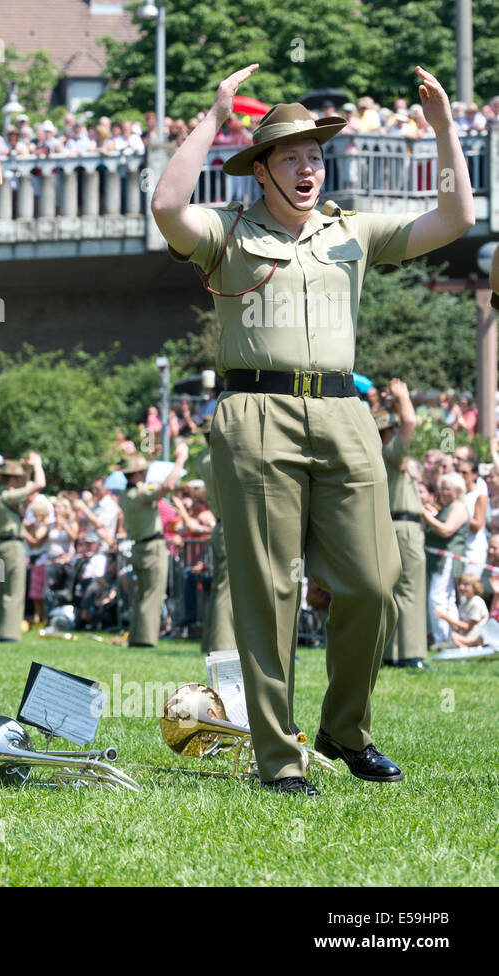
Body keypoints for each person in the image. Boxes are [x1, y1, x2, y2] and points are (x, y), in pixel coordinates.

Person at [151, 62, 474, 795]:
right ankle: (279, 756)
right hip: (254, 412)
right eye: (291, 156)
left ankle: (344, 729)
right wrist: (211, 115)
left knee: (375, 580)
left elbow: (453, 220)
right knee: (269, 591)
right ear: (260, 170)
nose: (307, 168)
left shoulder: (351, 230)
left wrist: (446, 130)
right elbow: (168, 205)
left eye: (315, 155)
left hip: (343, 412)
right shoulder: (227, 231)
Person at [379, 379, 428, 669]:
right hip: (405, 528)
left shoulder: (383, 453)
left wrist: (394, 401)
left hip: (394, 525)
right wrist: (403, 395)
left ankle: (393, 654)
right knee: (411, 589)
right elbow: (411, 421)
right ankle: (411, 655)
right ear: (389, 432)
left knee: (397, 592)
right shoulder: (391, 451)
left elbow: (402, 420)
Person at [115, 445, 186, 646]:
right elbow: (167, 486)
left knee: (141, 594)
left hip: (138, 546)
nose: (146, 473)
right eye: (143, 471)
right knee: (153, 593)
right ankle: (146, 640)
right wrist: (180, 461)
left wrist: (151, 459)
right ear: (136, 474)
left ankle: (136, 637)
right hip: (152, 546)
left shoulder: (124, 494)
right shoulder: (141, 492)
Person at [0, 453, 46, 642]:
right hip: (12, 546)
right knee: (14, 591)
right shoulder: (9, 496)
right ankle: (11, 634)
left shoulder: (0, 495)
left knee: (3, 591)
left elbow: (25, 490)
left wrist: (27, 471)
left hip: (0, 545)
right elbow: (39, 485)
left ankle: (2, 632)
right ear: (12, 479)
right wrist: (37, 465)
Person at [197, 439, 235, 653]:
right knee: (225, 589)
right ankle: (222, 644)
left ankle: (211, 641)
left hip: (220, 525)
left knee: (220, 587)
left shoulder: (203, 458)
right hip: (228, 526)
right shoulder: (220, 455)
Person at [424, 472, 468, 642]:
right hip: (437, 560)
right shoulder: (443, 507)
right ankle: (450, 638)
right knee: (447, 600)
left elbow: (446, 530)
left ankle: (441, 638)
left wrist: (427, 517)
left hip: (447, 560)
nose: (443, 492)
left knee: (437, 598)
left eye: (447, 489)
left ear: (458, 490)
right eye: (441, 488)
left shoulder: (459, 507)